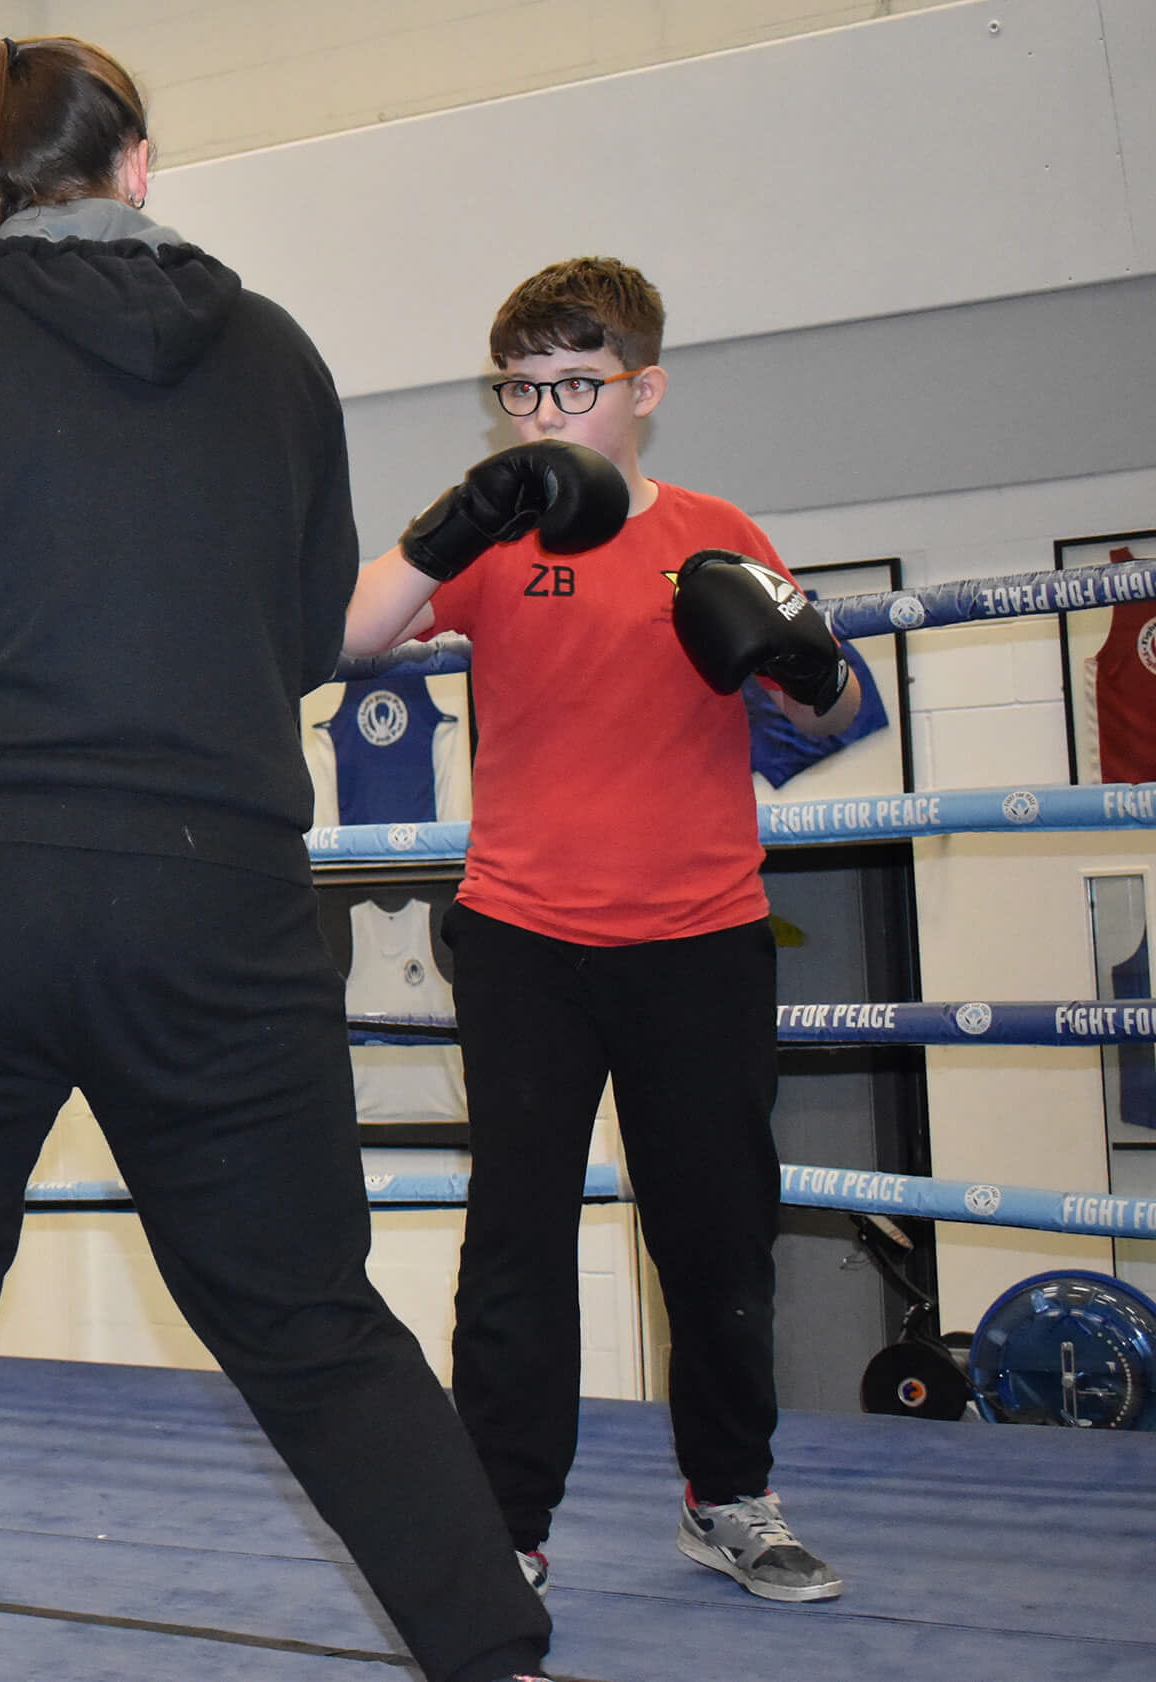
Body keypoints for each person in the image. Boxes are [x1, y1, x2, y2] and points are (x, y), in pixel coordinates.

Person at [0, 37, 554, 1682]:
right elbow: (312, 638)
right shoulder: (281, 357)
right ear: (141, 166)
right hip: (216, 905)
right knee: (314, 1327)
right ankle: (498, 1656)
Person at [343, 257, 858, 1604]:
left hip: (700, 937)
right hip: (524, 939)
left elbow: (830, 712)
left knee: (716, 1234)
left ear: (643, 389)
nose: (543, 415)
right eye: (519, 389)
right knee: (514, 1239)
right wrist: (452, 524)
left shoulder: (711, 525)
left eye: (574, 385)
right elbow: (341, 638)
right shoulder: (497, 541)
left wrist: (803, 659)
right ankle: (500, 1526)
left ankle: (730, 1498)